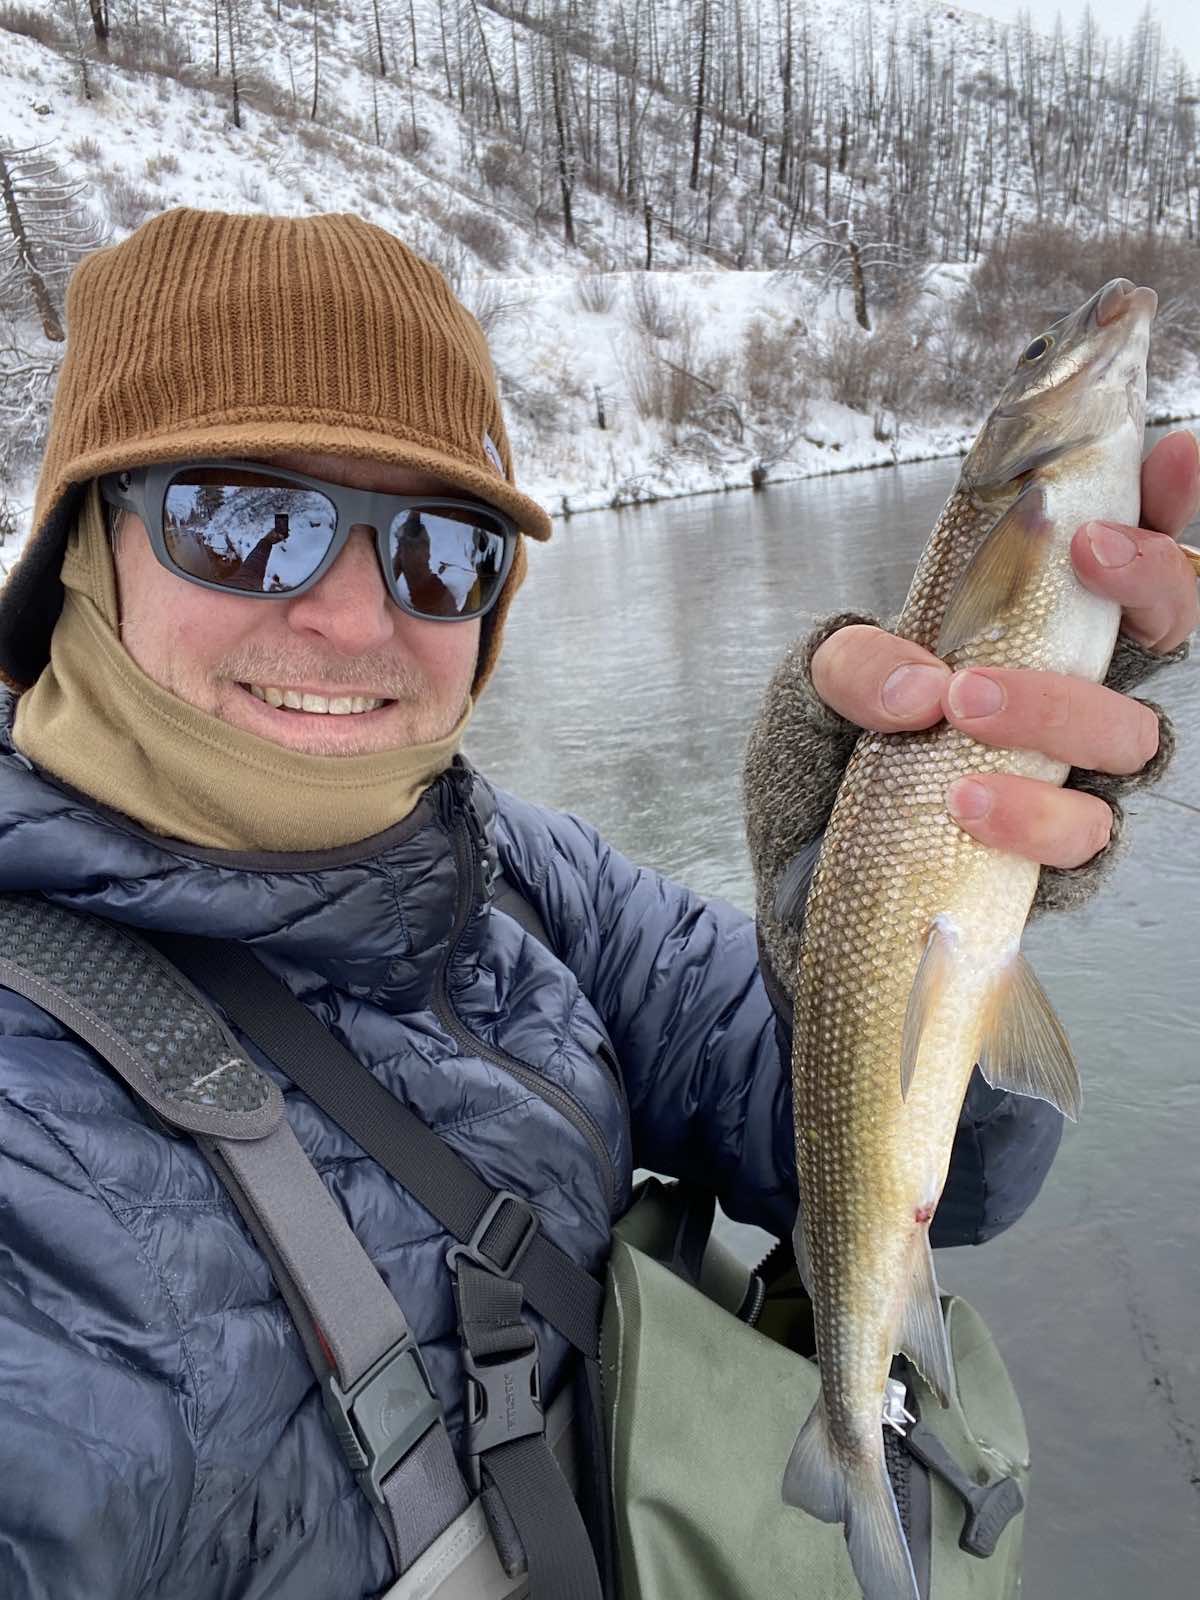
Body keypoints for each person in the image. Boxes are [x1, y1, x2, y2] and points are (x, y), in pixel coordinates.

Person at [0, 209, 1194, 1600]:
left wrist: (880, 901)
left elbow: (954, 1173)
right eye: (244, 519)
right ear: (82, 543)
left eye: (441, 549)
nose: (347, 612)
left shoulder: (519, 876)